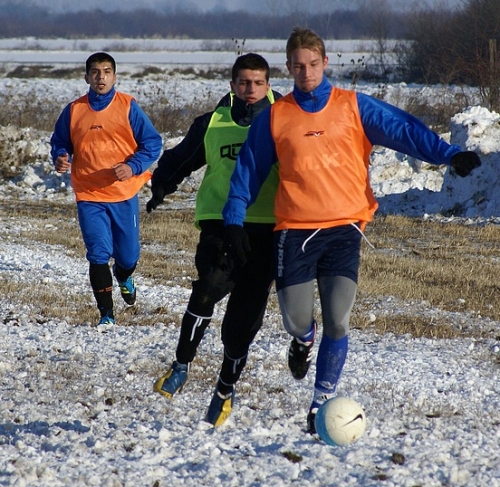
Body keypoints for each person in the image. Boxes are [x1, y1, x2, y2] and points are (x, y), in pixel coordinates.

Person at [222, 27, 481, 434]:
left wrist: (448, 154)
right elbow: (248, 173)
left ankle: (320, 401)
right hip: (295, 232)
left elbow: (402, 129)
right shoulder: (275, 116)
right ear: (288, 68)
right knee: (297, 320)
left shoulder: (352, 107)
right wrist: (233, 221)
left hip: (344, 229)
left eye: (312, 64)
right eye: (297, 66)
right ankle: (303, 341)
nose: (305, 72)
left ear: (325, 63)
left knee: (339, 321)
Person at [148, 53, 282, 426]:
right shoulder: (212, 123)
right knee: (205, 289)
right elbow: (180, 159)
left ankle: (225, 386)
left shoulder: (285, 120)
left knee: (240, 325)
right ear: (232, 85)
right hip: (219, 225)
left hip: (267, 231)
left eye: (257, 83)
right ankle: (181, 363)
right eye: (243, 82)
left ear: (268, 85)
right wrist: (163, 184)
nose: (250, 89)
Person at [50, 52, 162, 329]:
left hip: (123, 193)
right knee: (98, 253)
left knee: (128, 256)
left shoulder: (127, 106)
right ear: (86, 77)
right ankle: (106, 315)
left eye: (107, 71)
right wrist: (61, 156)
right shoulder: (74, 109)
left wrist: (133, 166)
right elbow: (60, 141)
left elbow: (152, 143)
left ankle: (124, 276)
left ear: (115, 76)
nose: (101, 77)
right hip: (89, 194)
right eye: (96, 72)